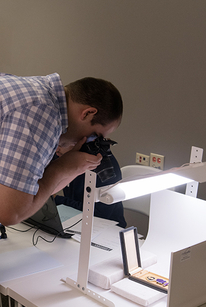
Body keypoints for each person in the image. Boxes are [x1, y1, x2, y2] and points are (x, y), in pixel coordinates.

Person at [0, 73, 123, 226]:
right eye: (94, 135)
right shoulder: (42, 111)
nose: (91, 142)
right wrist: (61, 168)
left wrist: (75, 168)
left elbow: (40, 192)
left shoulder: (36, 91)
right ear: (88, 113)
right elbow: (9, 213)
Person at [54, 147, 127, 228]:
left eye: (62, 144)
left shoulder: (105, 167)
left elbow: (99, 213)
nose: (57, 148)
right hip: (75, 218)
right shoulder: (62, 155)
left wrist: (57, 199)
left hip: (106, 227)